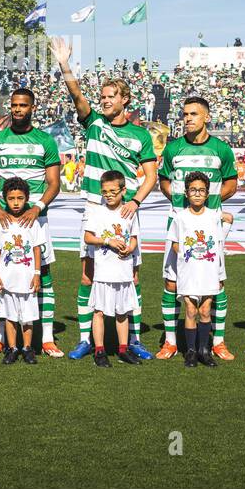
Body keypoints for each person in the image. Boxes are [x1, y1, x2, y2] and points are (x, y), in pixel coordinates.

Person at [51, 36, 157, 360]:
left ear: (125, 99)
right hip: (95, 206)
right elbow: (76, 95)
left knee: (132, 274)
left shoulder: (140, 135)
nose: (105, 100)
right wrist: (64, 63)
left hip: (126, 209)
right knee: (88, 273)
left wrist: (135, 201)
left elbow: (151, 176)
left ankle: (133, 339)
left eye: (111, 96)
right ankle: (87, 339)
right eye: (104, 96)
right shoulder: (94, 122)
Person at [0, 87, 62, 357]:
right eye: (14, 105)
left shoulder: (45, 141)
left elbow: (54, 183)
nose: (17, 109)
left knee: (43, 275)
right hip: (5, 220)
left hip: (36, 219)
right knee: (1, 276)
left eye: (23, 105)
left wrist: (37, 208)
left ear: (32, 107)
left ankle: (47, 338)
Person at [157, 96, 238, 361]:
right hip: (179, 224)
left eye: (193, 114)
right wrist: (181, 204)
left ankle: (218, 341)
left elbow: (231, 183)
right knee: (172, 283)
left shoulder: (221, 150)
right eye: (185, 114)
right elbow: (164, 182)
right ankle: (170, 342)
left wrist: (210, 205)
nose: (188, 118)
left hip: (209, 226)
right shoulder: (173, 149)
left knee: (217, 283)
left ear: (206, 117)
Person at [166, 172, 229, 367]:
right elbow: (175, 244)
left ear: (208, 194)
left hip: (209, 271)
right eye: (193, 190)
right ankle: (191, 351)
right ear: (186, 193)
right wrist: (190, 253)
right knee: (191, 310)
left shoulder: (213, 217)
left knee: (205, 310)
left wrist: (220, 273)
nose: (197, 194)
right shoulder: (180, 217)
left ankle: (204, 350)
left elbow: (218, 245)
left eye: (201, 190)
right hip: (188, 271)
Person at [83, 170, 142, 366]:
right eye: (105, 191)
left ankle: (123, 349)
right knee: (99, 312)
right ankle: (99, 351)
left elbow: (134, 239)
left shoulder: (129, 212)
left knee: (122, 312)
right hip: (103, 272)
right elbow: (88, 238)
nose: (108, 195)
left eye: (113, 191)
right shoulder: (97, 212)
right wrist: (108, 241)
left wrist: (130, 249)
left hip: (123, 271)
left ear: (123, 190)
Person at [0, 178, 44, 364]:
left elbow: (37, 249)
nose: (15, 202)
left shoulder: (32, 222)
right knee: (10, 316)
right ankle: (12, 348)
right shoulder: (0, 223)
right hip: (7, 279)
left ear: (26, 198)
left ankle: (27, 348)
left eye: (20, 198)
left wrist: (37, 274)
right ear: (5, 199)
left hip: (28, 279)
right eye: (11, 198)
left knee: (27, 317)